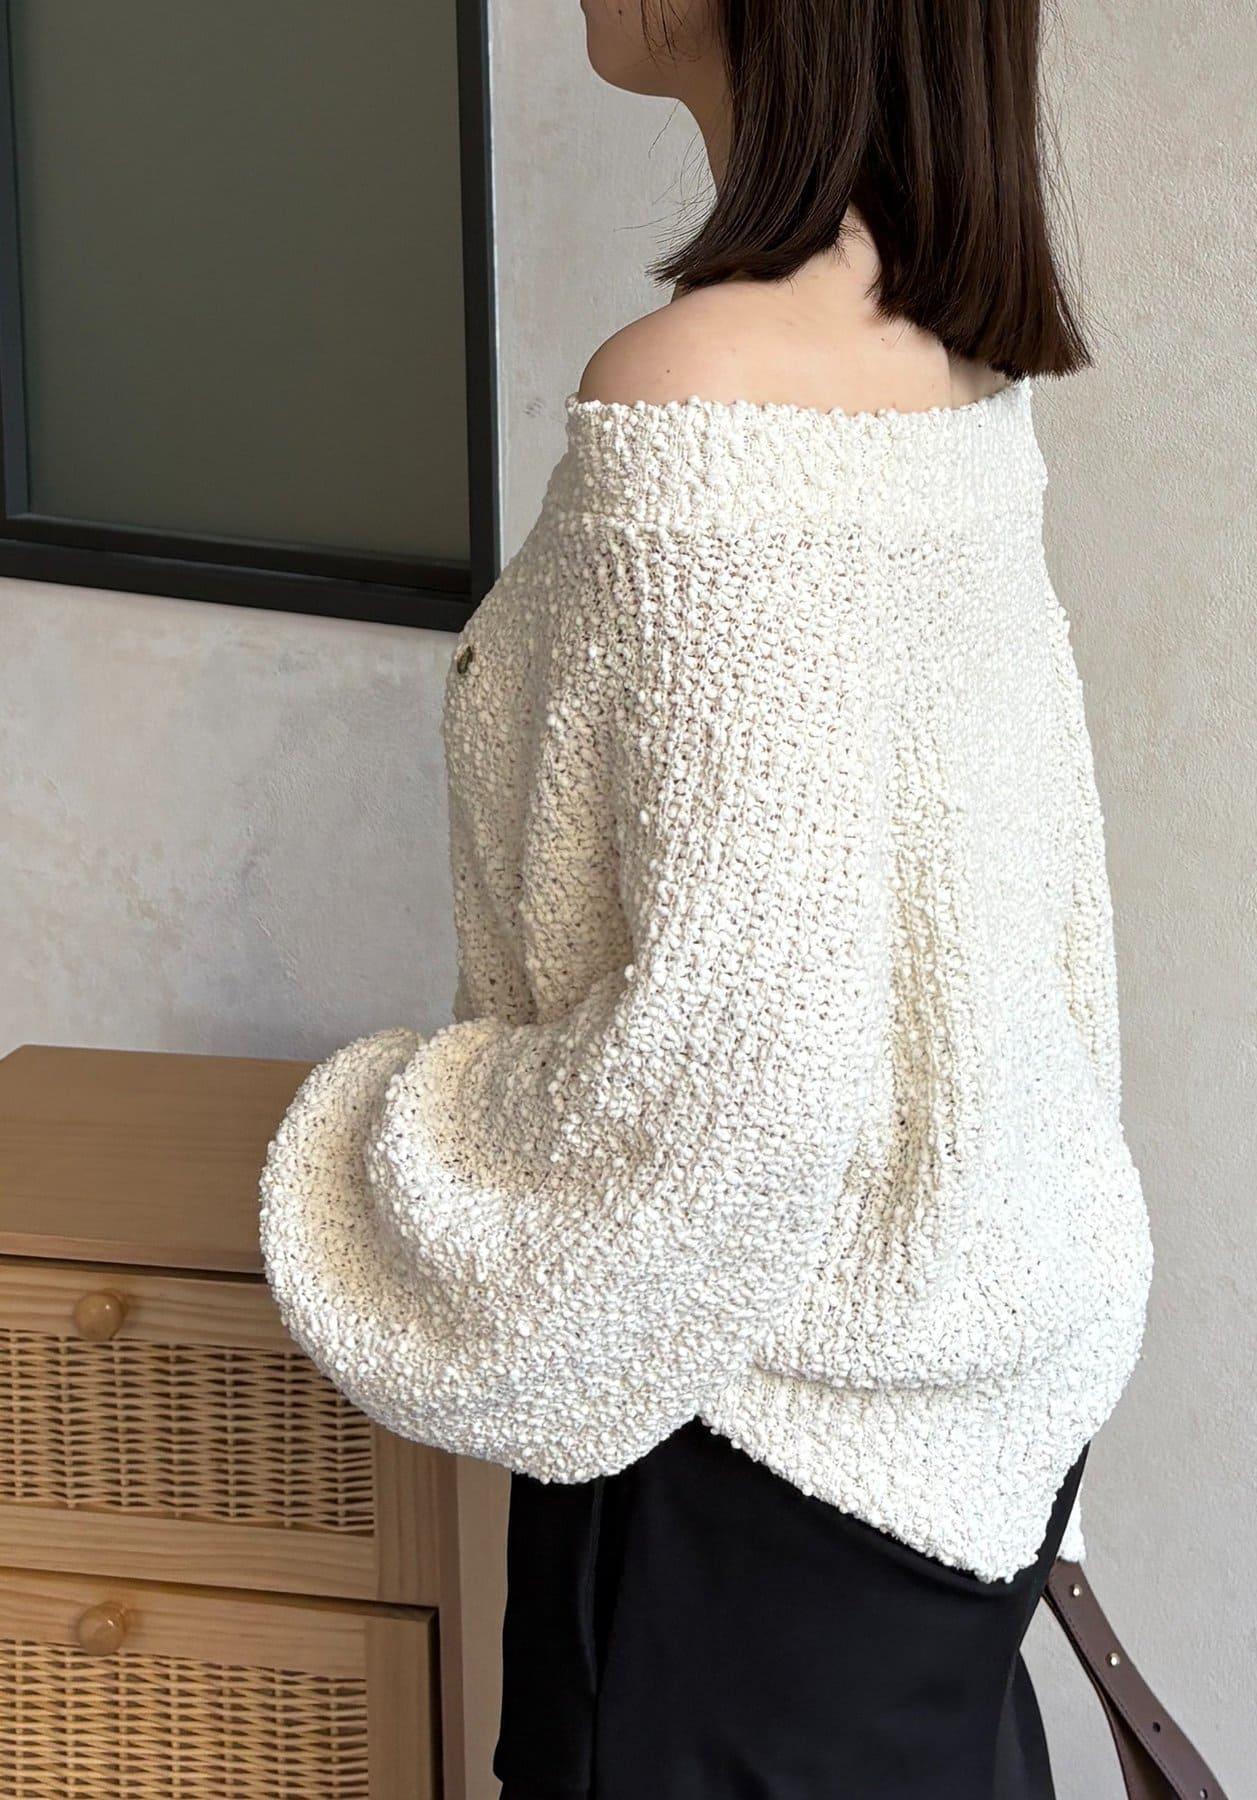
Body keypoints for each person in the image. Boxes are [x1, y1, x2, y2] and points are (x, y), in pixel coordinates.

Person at [258, 1, 1155, 1793]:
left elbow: (734, 1087)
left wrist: (376, 1140)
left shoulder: (701, 393)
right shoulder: (947, 360)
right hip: (955, 1446)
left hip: (748, 1470)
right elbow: (1030, 942)